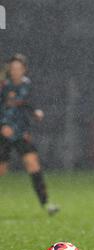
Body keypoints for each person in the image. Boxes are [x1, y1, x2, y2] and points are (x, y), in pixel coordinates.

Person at [0, 53, 59, 215]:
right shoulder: (3, 86)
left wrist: (37, 112)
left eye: (18, 68)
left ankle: (46, 204)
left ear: (24, 70)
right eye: (13, 68)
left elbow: (32, 105)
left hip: (21, 133)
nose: (15, 71)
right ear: (9, 70)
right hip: (4, 134)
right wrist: (2, 125)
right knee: (2, 169)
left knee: (33, 165)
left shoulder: (29, 86)